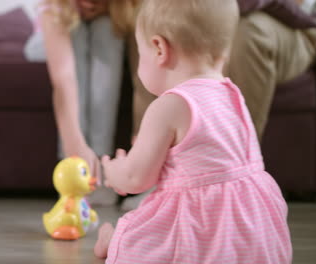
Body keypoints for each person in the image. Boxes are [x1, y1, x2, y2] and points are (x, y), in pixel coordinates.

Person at [94, 0, 292, 262]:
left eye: (140, 54)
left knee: (139, 236)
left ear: (159, 49)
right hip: (250, 228)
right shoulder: (232, 95)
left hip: (199, 228)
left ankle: (113, 240)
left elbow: (135, 179)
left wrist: (114, 169)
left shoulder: (168, 105)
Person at [121, 0, 316, 212]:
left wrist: (117, 171)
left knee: (245, 33)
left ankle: (229, 175)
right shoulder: (231, 95)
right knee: (149, 15)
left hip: (292, 24)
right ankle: (147, 158)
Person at [33, 0, 140, 205]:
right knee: (77, 33)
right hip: (48, 40)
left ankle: (100, 164)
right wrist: (74, 143)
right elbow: (64, 78)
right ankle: (74, 167)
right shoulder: (54, 8)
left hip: (103, 29)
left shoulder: (120, 9)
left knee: (107, 29)